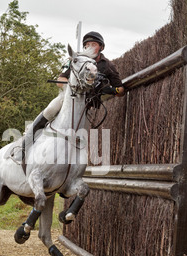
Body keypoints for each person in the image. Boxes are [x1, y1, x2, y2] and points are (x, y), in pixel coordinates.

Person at [21, 31, 125, 167]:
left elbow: (121, 90)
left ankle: (74, 167)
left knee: (83, 137)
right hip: (68, 99)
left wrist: (111, 90)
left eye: (94, 44)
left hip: (87, 106)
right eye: (87, 45)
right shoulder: (76, 60)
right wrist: (71, 86)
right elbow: (60, 80)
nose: (90, 47)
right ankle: (26, 142)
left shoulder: (108, 66)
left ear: (101, 47)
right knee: (51, 108)